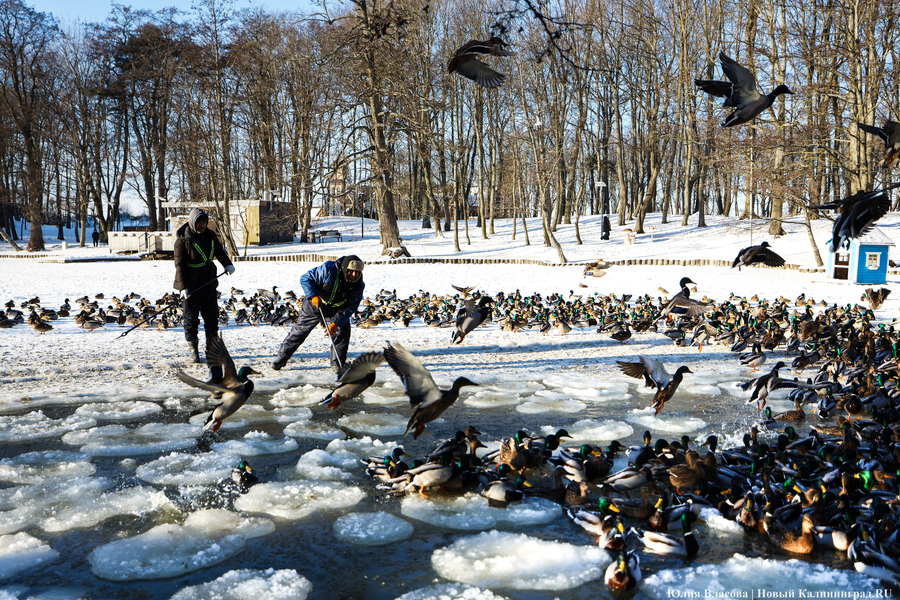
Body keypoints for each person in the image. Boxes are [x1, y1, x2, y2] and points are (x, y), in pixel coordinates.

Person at [272, 255, 365, 373]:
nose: (353, 275)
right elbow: (306, 278)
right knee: (300, 331)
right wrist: (313, 295)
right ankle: (282, 358)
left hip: (336, 309)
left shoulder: (359, 286)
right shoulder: (328, 270)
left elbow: (350, 307)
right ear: (344, 268)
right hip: (315, 305)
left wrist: (336, 322)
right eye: (350, 271)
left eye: (357, 273)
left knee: (342, 332)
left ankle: (337, 364)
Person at [173, 208, 234, 363]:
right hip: (191, 286)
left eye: (204, 222)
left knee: (212, 318)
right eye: (199, 222)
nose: (201, 225)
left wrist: (227, 264)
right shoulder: (182, 241)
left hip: (208, 284)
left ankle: (212, 350)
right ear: (192, 222)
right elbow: (179, 265)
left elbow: (219, 252)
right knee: (191, 319)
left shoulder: (211, 236)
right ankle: (193, 351)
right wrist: (183, 287)